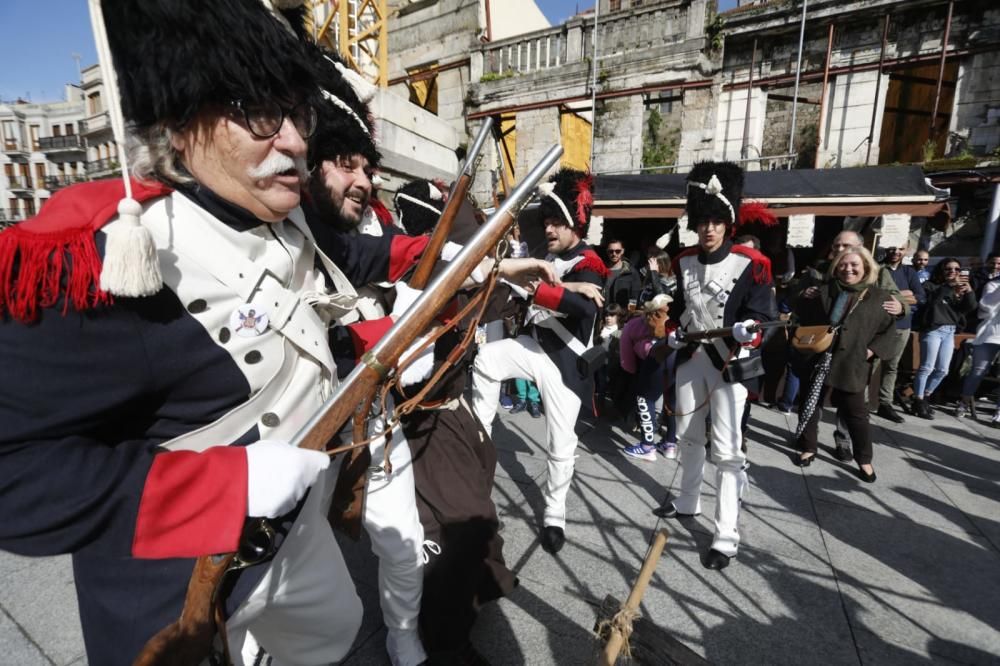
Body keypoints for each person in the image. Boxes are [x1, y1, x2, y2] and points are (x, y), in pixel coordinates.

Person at [0, 2, 375, 664]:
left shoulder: (288, 220)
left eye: (299, 114)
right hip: (171, 582)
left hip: (295, 537)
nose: (293, 140)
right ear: (180, 125)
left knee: (336, 628)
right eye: (263, 114)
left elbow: (358, 266)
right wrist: (221, 488)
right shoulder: (108, 265)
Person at [472, 168, 607, 555]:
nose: (549, 228)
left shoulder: (590, 262)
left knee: (561, 447)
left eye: (557, 222)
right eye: (547, 221)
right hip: (534, 347)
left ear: (575, 224)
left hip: (565, 363)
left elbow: (583, 307)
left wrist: (544, 290)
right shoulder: (545, 257)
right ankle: (481, 437)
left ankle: (554, 516)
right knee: (486, 358)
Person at [653, 161, 777, 571]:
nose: (708, 229)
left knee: (726, 451)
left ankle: (725, 534)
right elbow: (681, 309)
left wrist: (749, 332)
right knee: (688, 436)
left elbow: (763, 318)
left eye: (716, 221)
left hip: (729, 363)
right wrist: (671, 331)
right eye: (702, 220)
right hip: (692, 357)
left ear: (728, 223)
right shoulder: (685, 260)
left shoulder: (752, 262)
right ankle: (688, 500)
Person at [792, 247, 897, 483]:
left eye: (854, 265)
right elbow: (800, 316)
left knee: (856, 413)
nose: (848, 269)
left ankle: (864, 459)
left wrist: (871, 351)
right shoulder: (823, 291)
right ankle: (808, 446)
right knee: (810, 403)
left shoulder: (879, 297)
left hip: (853, 363)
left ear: (866, 268)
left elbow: (889, 331)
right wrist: (802, 297)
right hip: (820, 358)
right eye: (843, 264)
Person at [911, 258, 978, 419]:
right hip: (933, 329)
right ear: (941, 271)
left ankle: (925, 396)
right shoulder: (930, 286)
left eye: (956, 270)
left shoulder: (959, 289)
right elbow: (933, 303)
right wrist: (948, 286)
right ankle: (918, 400)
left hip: (950, 331)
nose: (953, 272)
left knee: (942, 370)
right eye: (948, 269)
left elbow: (970, 308)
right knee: (927, 367)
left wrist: (968, 291)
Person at [620, 294, 676, 461]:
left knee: (645, 398)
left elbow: (626, 357)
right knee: (672, 402)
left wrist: (632, 371)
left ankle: (647, 446)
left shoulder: (634, 324)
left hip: (655, 358)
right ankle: (670, 444)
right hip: (677, 358)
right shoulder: (676, 319)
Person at [875, 243, 926, 423]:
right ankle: (863, 402)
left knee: (892, 366)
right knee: (870, 364)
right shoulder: (877, 269)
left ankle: (885, 403)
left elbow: (920, 297)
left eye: (900, 248)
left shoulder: (909, 272)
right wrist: (905, 295)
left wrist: (894, 296)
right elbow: (876, 295)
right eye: (892, 248)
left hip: (902, 325)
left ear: (905, 251)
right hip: (877, 325)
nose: (896, 251)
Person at [957, 277, 1000, 424]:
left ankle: (999, 412)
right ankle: (964, 403)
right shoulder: (993, 284)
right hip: (989, 334)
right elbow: (986, 308)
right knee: (977, 371)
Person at [605, 238, 643, 311]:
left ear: (622, 251)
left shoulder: (631, 272)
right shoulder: (601, 270)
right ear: (607, 252)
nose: (614, 254)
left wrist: (630, 314)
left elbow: (635, 296)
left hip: (622, 315)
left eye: (617, 251)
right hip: (604, 314)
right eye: (611, 251)